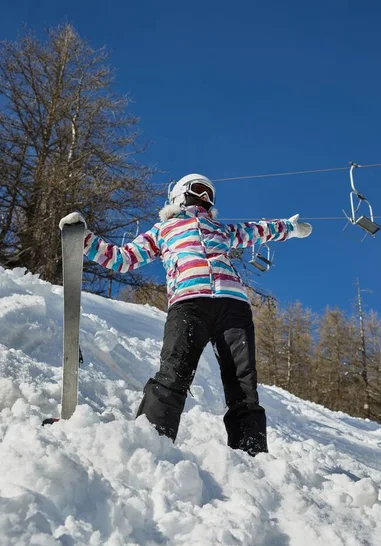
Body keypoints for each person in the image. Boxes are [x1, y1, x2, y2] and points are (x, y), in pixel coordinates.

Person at [60, 173, 312, 455]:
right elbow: (123, 258)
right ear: (179, 194)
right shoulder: (163, 230)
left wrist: (289, 227)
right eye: (199, 190)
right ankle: (152, 442)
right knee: (174, 372)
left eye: (210, 194)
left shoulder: (221, 230)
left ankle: (250, 451)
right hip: (189, 303)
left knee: (243, 383)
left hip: (233, 305)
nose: (205, 198)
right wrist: (84, 239)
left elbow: (257, 230)